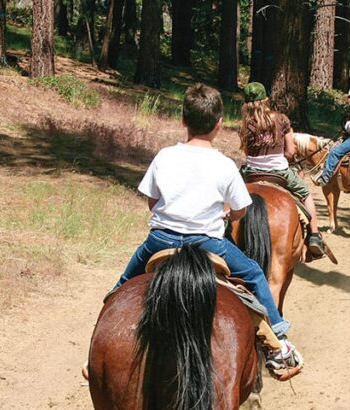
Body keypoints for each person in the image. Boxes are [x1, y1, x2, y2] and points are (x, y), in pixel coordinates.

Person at [110, 83, 302, 372]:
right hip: (208, 244)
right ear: (219, 124)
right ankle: (279, 341)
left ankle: (103, 328)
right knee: (253, 273)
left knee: (124, 283)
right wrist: (225, 216)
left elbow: (152, 201)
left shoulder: (164, 156)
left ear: (183, 120)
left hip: (160, 241)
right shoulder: (224, 164)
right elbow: (240, 211)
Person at [238, 82, 325, 258]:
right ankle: (314, 236)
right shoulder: (282, 119)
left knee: (227, 195)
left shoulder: (245, 124)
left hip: (250, 173)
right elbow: (291, 151)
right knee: (306, 194)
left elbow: (246, 151)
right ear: (266, 100)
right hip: (279, 173)